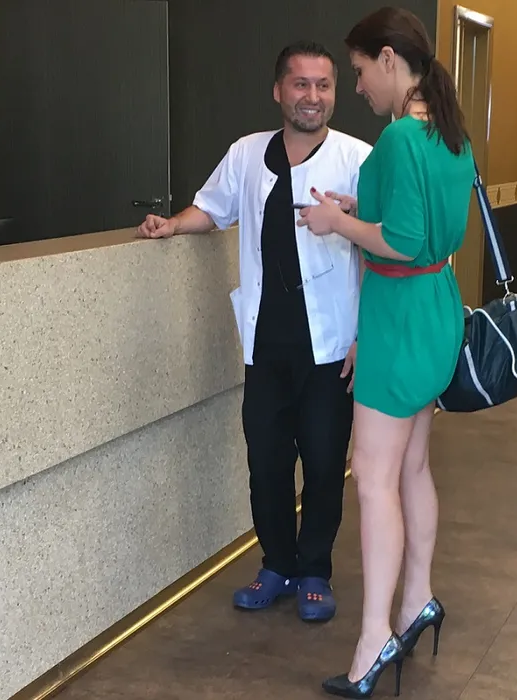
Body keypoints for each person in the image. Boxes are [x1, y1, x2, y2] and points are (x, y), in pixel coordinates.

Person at [137, 41, 372, 623]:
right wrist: (173, 226)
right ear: (278, 90)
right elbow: (212, 209)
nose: (312, 96)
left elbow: (379, 249)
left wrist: (366, 334)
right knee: (266, 462)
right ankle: (277, 564)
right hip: (265, 344)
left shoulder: (358, 159)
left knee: (323, 462)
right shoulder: (247, 154)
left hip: (330, 346)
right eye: (301, 84)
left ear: (335, 93)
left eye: (323, 85)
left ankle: (314, 570)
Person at [295, 8, 475, 698]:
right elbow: (423, 230)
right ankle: (416, 599)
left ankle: (373, 641)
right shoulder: (449, 133)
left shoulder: (400, 136)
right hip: (434, 310)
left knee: (373, 478)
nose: (358, 85)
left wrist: (334, 222)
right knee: (413, 466)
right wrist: (355, 211)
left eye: (360, 70)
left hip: (398, 318)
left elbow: (398, 241)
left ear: (390, 60)